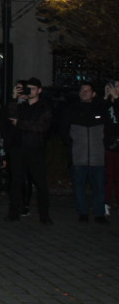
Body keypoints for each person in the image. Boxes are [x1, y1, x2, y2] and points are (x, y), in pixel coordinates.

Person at [5, 77, 53, 224]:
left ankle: (44, 216)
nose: (30, 91)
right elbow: (11, 117)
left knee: (40, 184)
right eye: (28, 88)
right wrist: (14, 98)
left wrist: (20, 123)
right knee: (16, 182)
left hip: (35, 150)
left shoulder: (44, 107)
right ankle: (14, 213)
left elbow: (40, 127)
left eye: (33, 88)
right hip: (18, 149)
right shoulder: (22, 106)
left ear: (39, 90)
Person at [60, 82, 109, 224]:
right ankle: (83, 213)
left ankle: (99, 214)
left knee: (99, 186)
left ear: (93, 94)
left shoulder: (101, 109)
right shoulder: (72, 110)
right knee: (79, 185)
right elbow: (63, 129)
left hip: (97, 157)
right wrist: (73, 144)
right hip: (79, 156)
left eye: (87, 90)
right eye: (82, 90)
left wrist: (102, 144)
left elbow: (108, 130)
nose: (84, 92)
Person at [105, 78, 119, 212]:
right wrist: (106, 98)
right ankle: (105, 202)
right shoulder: (107, 104)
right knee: (108, 175)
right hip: (108, 144)